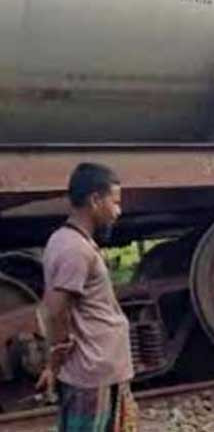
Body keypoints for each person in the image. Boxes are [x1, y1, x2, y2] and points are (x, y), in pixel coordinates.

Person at [38, 162, 138, 432]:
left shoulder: (67, 241)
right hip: (93, 373)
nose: (118, 212)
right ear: (95, 200)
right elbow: (57, 311)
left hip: (97, 369)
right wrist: (54, 362)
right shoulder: (75, 250)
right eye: (114, 202)